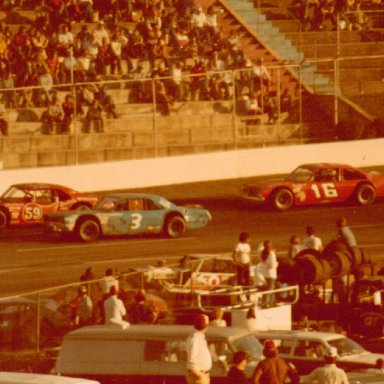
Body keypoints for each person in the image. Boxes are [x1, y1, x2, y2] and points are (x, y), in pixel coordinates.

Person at [185, 314, 212, 384]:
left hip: (202, 374)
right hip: (198, 375)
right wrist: (199, 374)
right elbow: (191, 358)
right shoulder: (195, 339)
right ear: (205, 326)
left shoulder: (199, 337)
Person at [258, 240, 278, 307]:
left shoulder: (261, 252)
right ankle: (266, 303)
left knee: (266, 289)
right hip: (271, 274)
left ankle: (267, 302)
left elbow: (259, 247)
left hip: (264, 273)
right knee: (270, 289)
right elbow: (272, 265)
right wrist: (277, 263)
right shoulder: (271, 253)